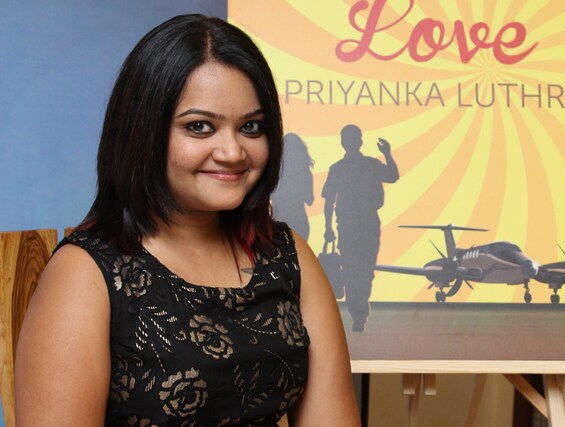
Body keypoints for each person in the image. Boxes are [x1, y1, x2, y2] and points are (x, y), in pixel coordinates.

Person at [14, 15, 360, 426]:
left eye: (251, 127)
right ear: (143, 131)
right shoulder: (85, 273)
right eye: (200, 127)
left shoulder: (288, 255)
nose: (233, 152)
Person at [322, 125, 399, 333]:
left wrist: (387, 154)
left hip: (362, 225)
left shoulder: (365, 165)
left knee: (360, 270)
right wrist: (328, 227)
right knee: (356, 270)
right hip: (354, 225)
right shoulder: (344, 168)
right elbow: (329, 201)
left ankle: (359, 313)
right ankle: (358, 313)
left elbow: (393, 176)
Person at [271, 133, 315, 240]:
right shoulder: (305, 173)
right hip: (300, 220)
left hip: (278, 220)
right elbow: (310, 200)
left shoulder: (274, 173)